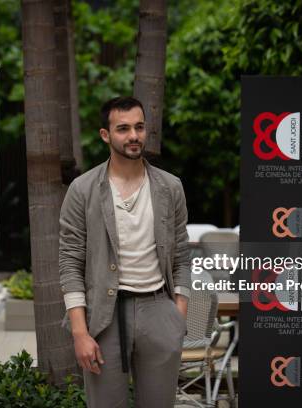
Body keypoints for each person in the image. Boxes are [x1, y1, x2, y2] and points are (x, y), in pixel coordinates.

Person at [59, 96, 191, 407]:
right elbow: (69, 262)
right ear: (106, 135)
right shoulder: (83, 189)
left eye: (139, 127)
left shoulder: (170, 187)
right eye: (123, 128)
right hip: (104, 315)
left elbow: (182, 254)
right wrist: (80, 332)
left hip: (159, 309)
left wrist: (178, 316)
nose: (134, 136)